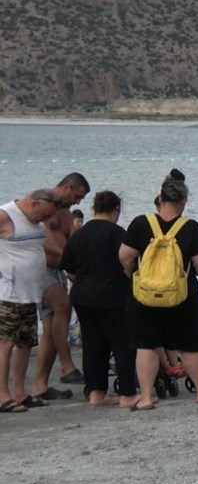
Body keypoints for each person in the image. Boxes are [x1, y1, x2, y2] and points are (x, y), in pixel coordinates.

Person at [119, 170, 198, 409]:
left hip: (144, 296)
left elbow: (124, 256)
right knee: (190, 345)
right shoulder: (191, 228)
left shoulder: (140, 223)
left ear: (161, 198)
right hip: (182, 296)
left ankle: (145, 398)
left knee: (146, 346)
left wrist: (134, 274)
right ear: (183, 201)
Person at [59, 191, 137, 407]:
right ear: (116, 210)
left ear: (94, 209)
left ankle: (96, 393)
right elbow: (129, 261)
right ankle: (128, 394)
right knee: (122, 344)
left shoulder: (79, 234)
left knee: (93, 346)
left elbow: (69, 267)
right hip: (112, 295)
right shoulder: (117, 233)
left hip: (83, 295)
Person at [0, 190, 60, 413]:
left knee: (25, 344)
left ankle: (19, 392)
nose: (43, 221)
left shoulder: (35, 222)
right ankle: (2, 395)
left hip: (30, 294)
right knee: (5, 345)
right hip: (8, 294)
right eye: (43, 216)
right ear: (34, 204)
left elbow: (38, 248)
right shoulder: (6, 215)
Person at [32, 173, 90, 400]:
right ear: (67, 188)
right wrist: (64, 255)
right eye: (77, 196)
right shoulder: (44, 202)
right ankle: (67, 367)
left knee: (51, 331)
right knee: (63, 305)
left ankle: (39, 386)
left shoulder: (65, 213)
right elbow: (38, 237)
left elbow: (74, 242)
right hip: (40, 269)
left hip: (59, 273)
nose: (78, 202)